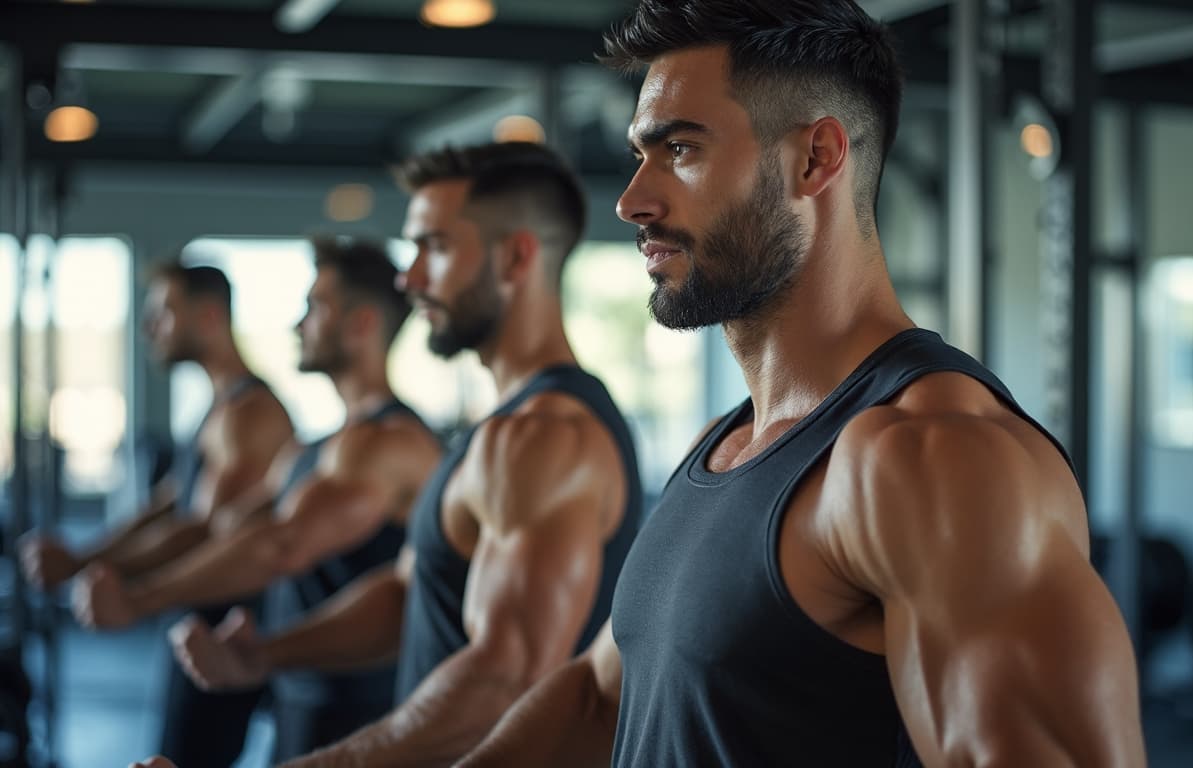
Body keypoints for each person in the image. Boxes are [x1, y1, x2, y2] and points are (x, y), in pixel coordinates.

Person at [456, 2, 1146, 766]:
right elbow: (598, 699)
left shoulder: (935, 458)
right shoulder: (724, 448)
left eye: (680, 149)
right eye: (639, 155)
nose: (632, 202)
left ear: (816, 159)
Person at [167, 142, 643, 767]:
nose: (408, 277)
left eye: (435, 248)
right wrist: (267, 653)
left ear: (515, 257)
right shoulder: (498, 429)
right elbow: (408, 591)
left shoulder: (545, 435)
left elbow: (503, 681)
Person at [73, 237, 442, 761]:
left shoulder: (391, 443)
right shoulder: (316, 447)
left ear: (361, 325)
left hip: (360, 711)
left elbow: (281, 546)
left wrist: (138, 598)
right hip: (298, 692)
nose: (298, 325)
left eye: (316, 308)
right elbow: (227, 527)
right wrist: (97, 562)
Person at [19, 262, 294, 768]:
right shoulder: (218, 408)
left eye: (164, 313)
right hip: (192, 614)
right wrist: (81, 558)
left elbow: (203, 531)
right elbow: (167, 506)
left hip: (225, 624)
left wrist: (110, 579)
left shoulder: (251, 415)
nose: (150, 327)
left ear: (209, 316)